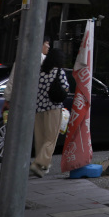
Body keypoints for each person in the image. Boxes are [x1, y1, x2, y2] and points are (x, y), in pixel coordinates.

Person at [30, 49, 69, 178]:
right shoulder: (59, 72)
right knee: (51, 139)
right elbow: (65, 88)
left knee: (40, 138)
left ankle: (43, 166)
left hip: (38, 108)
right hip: (53, 108)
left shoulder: (39, 72)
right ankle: (39, 164)